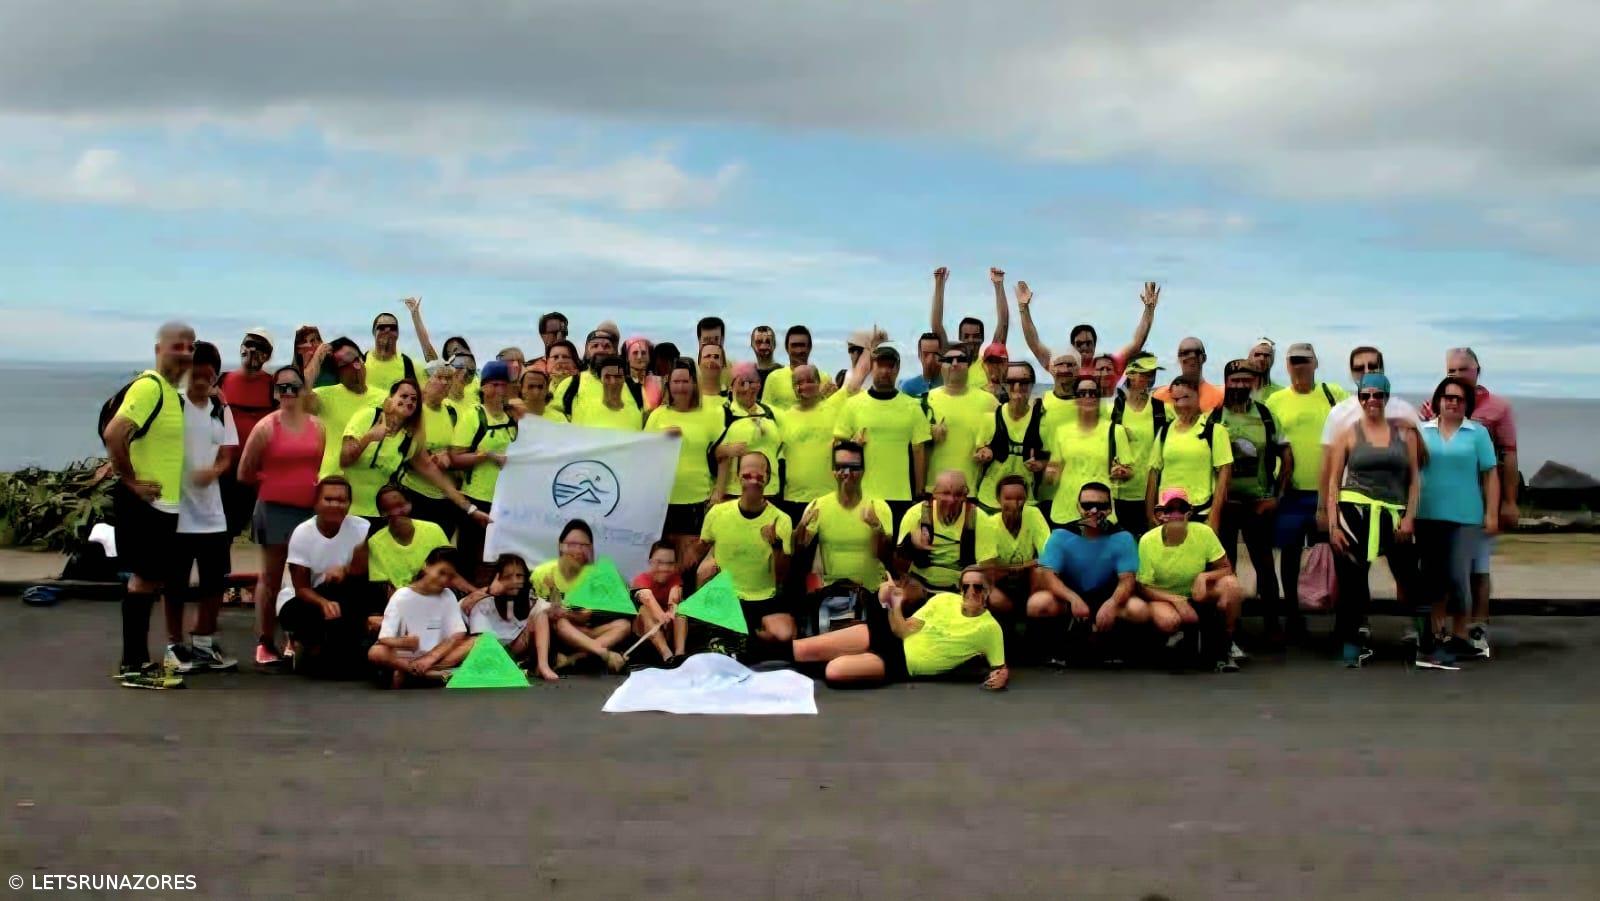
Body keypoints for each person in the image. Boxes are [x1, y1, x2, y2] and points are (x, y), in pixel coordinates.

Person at [103, 321, 193, 689]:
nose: (185, 353)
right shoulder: (149, 387)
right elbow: (114, 433)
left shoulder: (172, 394)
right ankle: (135, 666)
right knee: (143, 581)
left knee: (150, 580)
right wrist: (132, 481)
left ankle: (135, 662)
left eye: (190, 347)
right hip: (146, 504)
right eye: (178, 346)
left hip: (164, 506)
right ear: (159, 350)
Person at [1419, 347, 1518, 659]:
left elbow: (1498, 467)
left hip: (1468, 513)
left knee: (1468, 574)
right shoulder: (1422, 429)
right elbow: (1411, 472)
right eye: (1447, 394)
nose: (1452, 399)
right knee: (1435, 576)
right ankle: (1436, 632)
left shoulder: (1483, 427)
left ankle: (1468, 632)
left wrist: (1500, 507)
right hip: (1429, 514)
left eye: (1458, 397)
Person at [1324, 373, 1428, 669]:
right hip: (1353, 513)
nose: (1372, 401)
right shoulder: (1348, 433)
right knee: (1353, 585)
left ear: (1387, 398)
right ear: (1359, 399)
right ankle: (1352, 644)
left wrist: (1409, 518)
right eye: (1365, 395)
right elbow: (1333, 483)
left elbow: (1414, 482)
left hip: (1393, 514)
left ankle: (1426, 642)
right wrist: (1333, 525)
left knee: (1411, 580)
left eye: (1378, 395)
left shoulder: (1405, 434)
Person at [786, 566, 1008, 690]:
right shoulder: (944, 601)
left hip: (899, 664)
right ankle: (755, 652)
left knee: (833, 671)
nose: (970, 592)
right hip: (887, 633)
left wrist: (1001, 676)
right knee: (801, 650)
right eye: (965, 586)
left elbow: (1000, 666)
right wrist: (895, 604)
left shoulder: (989, 629)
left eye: (977, 587)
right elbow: (901, 630)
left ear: (988, 592)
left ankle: (828, 661)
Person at [238, 364, 325, 668]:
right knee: (271, 577)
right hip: (274, 510)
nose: (288, 393)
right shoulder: (265, 427)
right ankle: (264, 641)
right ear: (275, 393)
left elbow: (319, 466)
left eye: (294, 387)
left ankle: (297, 637)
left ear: (303, 391)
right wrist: (274, 482)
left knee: (304, 577)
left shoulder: (318, 426)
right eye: (282, 388)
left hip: (308, 511)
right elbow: (245, 472)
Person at [164, 341, 240, 675]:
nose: (201, 381)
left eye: (208, 375)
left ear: (214, 377)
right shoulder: (173, 406)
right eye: (196, 373)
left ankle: (204, 642)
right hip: (176, 513)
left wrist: (215, 471)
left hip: (212, 514)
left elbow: (227, 454)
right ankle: (173, 645)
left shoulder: (220, 409)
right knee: (175, 583)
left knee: (214, 582)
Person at [1264, 342, 1347, 634]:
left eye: (1305, 360)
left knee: (1340, 552)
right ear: (1286, 365)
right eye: (1294, 360)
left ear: (1315, 363)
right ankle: (1292, 612)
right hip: (1291, 492)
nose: (1299, 366)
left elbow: (1360, 420)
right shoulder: (1275, 401)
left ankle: (1344, 618)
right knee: (1290, 552)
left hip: (1330, 491)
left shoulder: (1333, 394)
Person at [1212, 360, 1292, 646]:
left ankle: (1272, 626)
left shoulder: (1266, 415)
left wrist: (1276, 497)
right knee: (1225, 567)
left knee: (1265, 567)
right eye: (1235, 380)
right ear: (1226, 381)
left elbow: (1287, 456)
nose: (1241, 385)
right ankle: (1228, 627)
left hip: (1257, 505)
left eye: (1246, 380)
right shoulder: (1213, 416)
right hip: (1224, 504)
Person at [1136, 488, 1246, 672]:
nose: (1176, 515)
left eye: (1181, 508)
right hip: (1163, 595)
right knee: (1169, 621)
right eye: (1170, 509)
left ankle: (1227, 641)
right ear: (1161, 514)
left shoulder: (1204, 532)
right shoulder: (1147, 541)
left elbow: (1227, 568)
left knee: (1232, 586)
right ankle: (1177, 648)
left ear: (1189, 512)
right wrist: (1176, 600)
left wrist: (1204, 576)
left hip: (1197, 592)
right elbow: (1142, 587)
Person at [339, 378, 474, 528]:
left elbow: (437, 477)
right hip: (348, 511)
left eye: (414, 399)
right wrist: (369, 437)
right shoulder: (368, 417)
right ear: (390, 398)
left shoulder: (409, 440)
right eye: (403, 396)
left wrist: (469, 508)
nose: (409, 401)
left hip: (384, 516)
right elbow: (344, 460)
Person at [1033, 482, 1144, 664]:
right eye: (1087, 505)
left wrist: (1112, 603)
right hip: (1070, 601)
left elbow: (1127, 581)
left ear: (1109, 509)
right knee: (1038, 603)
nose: (1093, 510)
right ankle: (1050, 651)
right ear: (1078, 507)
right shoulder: (1061, 535)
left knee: (1137, 609)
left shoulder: (1123, 537)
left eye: (1101, 506)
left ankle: (1121, 650)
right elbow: (1048, 576)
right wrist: (1072, 598)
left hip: (1107, 600)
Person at [275, 477, 374, 677]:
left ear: (349, 504)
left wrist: (345, 570)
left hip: (348, 592)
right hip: (309, 597)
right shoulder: (302, 533)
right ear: (316, 502)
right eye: (329, 499)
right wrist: (323, 603)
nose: (335, 505)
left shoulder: (363, 529)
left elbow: (366, 573)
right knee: (296, 613)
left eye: (341, 500)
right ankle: (307, 645)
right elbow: (301, 587)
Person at [698, 453, 796, 644]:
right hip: (727, 596)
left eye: (759, 477)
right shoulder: (717, 513)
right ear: (737, 477)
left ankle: (747, 637)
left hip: (764, 597)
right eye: (747, 475)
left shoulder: (782, 519)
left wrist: (775, 544)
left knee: (782, 636)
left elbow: (782, 576)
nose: (753, 481)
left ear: (768, 479)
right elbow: (701, 551)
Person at [794, 440, 895, 625]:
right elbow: (799, 554)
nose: (847, 474)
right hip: (833, 593)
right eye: (841, 467)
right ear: (833, 471)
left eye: (853, 467)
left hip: (872, 593)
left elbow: (886, 557)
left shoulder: (879, 507)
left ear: (863, 471)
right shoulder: (818, 506)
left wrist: (876, 528)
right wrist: (800, 528)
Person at [834, 341, 931, 525]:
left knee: (897, 552)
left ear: (897, 369)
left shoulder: (913, 407)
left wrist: (919, 493)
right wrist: (852, 447)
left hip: (901, 496)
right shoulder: (853, 405)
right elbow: (838, 449)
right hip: (862, 495)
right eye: (881, 365)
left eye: (890, 366)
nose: (885, 371)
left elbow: (919, 452)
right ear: (872, 366)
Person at [646, 357, 724, 569]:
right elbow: (643, 452)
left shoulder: (709, 415)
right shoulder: (657, 416)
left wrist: (719, 490)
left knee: (690, 561)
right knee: (664, 561)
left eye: (685, 381)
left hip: (697, 499)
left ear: (694, 384)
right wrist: (662, 435)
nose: (680, 387)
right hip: (664, 500)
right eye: (676, 382)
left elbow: (721, 453)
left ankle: (687, 600)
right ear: (668, 385)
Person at [776, 359, 870, 523]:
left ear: (819, 383)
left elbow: (857, 379)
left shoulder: (835, 406)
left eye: (810, 381)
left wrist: (870, 347)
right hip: (793, 499)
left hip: (831, 498)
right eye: (799, 382)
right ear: (793, 387)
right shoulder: (783, 418)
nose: (804, 386)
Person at [367, 547, 476, 687]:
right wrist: (404, 642)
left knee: (476, 641)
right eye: (441, 572)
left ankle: (411, 672)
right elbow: (384, 638)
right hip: (407, 655)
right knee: (376, 652)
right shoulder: (402, 596)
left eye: (450, 576)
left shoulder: (447, 595)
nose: (444, 580)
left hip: (438, 656)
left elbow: (457, 633)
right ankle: (429, 674)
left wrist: (430, 658)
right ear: (427, 566)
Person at [534, 520, 631, 673]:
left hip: (587, 631)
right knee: (562, 624)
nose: (578, 550)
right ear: (561, 545)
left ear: (591, 549)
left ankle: (576, 658)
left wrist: (568, 612)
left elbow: (587, 616)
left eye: (584, 546)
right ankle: (602, 654)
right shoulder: (546, 573)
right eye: (572, 544)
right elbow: (546, 614)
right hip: (562, 632)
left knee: (623, 625)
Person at [889, 470, 998, 606]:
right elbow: (899, 564)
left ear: (966, 495)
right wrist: (910, 543)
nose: (951, 500)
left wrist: (973, 586)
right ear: (934, 493)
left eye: (958, 495)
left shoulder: (979, 518)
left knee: (995, 600)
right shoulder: (916, 514)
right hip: (920, 581)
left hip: (963, 584)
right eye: (945, 493)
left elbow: (988, 566)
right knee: (900, 597)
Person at [450, 360, 517, 578]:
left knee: (498, 559)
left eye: (503, 385)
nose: (499, 390)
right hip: (476, 498)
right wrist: (487, 456)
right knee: (470, 559)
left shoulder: (511, 420)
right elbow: (455, 458)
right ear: (483, 387)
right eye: (494, 385)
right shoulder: (473, 416)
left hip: (504, 499)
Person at [1016, 279, 1158, 378]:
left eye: (1089, 343)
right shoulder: (1062, 368)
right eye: (1079, 344)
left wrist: (1149, 309)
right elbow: (1034, 344)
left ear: (1095, 345)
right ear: (1072, 346)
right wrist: (1023, 308)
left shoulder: (1106, 369)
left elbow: (1136, 344)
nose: (1084, 347)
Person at [1043, 375, 1133, 529]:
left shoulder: (1115, 431)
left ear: (1099, 397)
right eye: (1082, 393)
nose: (1088, 397)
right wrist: (1046, 472)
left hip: (1100, 509)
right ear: (1075, 399)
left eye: (1093, 393)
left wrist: (1122, 472)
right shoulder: (1062, 432)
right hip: (1065, 510)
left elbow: (1130, 472)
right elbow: (1053, 473)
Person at [1146, 376, 1233, 532]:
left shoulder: (1214, 431)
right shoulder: (1165, 431)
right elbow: (1153, 472)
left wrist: (1214, 515)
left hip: (1200, 513)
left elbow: (1224, 474)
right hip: (1166, 513)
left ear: (1198, 396)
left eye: (1186, 397)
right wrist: (1150, 513)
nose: (1181, 404)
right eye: (1176, 399)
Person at [462, 554, 560, 683]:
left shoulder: (529, 599)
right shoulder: (483, 603)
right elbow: (481, 643)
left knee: (541, 614)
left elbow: (551, 610)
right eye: (508, 577)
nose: (514, 581)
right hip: (489, 651)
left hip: (514, 648)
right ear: (497, 579)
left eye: (519, 576)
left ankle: (543, 666)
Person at [217, 327, 276, 540]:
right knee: (220, 529)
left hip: (255, 472)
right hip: (224, 469)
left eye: (259, 347)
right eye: (248, 344)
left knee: (250, 529)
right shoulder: (222, 381)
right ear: (241, 347)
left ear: (267, 355)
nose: (252, 350)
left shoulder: (273, 385)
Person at [398, 359, 465, 532]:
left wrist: (449, 457)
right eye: (440, 377)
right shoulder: (412, 411)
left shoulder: (452, 411)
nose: (445, 383)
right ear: (425, 382)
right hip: (416, 494)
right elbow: (404, 451)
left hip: (446, 499)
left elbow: (460, 448)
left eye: (449, 378)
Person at [925, 346, 1000, 501]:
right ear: (941, 366)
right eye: (948, 360)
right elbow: (911, 442)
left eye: (961, 360)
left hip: (973, 491)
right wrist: (928, 432)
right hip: (934, 489)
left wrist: (989, 450)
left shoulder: (989, 401)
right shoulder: (925, 399)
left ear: (969, 366)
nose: (954, 363)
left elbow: (1004, 436)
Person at [974, 361, 1045, 511]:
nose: (1017, 387)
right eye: (1011, 382)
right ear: (1004, 385)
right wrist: (983, 454)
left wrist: (1042, 465)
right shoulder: (989, 418)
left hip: (1026, 503)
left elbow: (1053, 461)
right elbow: (978, 453)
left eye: (1024, 382)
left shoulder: (1042, 421)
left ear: (1032, 385)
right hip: (990, 500)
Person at [1107, 353, 1166, 535]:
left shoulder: (1161, 408)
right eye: (1145, 373)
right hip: (1121, 493)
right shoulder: (1114, 409)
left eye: (1152, 374)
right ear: (1130, 375)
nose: (1150, 378)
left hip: (1154, 492)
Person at [366, 485, 457, 598]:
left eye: (399, 505)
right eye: (387, 509)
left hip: (438, 596)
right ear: (381, 513)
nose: (395, 512)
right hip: (401, 603)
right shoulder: (374, 543)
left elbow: (450, 572)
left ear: (410, 504)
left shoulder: (434, 530)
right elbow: (385, 588)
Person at [711, 362, 783, 503]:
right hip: (736, 494)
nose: (748, 388)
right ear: (731, 387)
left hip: (771, 492)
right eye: (742, 382)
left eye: (752, 382)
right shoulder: (723, 413)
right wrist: (726, 450)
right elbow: (711, 452)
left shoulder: (770, 413)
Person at [983, 475, 1053, 618]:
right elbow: (988, 565)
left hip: (1027, 577)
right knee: (987, 579)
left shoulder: (1033, 514)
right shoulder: (989, 524)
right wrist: (1011, 569)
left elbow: (1049, 555)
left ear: (1026, 498)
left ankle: (1033, 611)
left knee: (1040, 571)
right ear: (998, 499)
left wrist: (1022, 567)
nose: (1015, 504)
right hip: (1001, 579)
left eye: (1019, 498)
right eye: (1008, 498)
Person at [930, 266, 1010, 361]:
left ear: (982, 338)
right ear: (960, 337)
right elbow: (936, 326)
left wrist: (999, 284)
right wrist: (939, 284)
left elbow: (1003, 324)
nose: (971, 340)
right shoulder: (951, 359)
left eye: (976, 336)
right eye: (966, 336)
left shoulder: (988, 362)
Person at [630, 541, 688, 665]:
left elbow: (675, 594)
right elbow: (647, 597)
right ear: (651, 562)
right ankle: (667, 655)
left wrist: (673, 608)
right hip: (645, 635)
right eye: (660, 563)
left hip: (667, 631)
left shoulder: (675, 579)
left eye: (670, 564)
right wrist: (663, 616)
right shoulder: (641, 580)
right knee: (644, 610)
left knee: (681, 608)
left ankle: (679, 655)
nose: (665, 568)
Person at [569, 355, 644, 431]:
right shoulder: (583, 411)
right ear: (600, 379)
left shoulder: (635, 413)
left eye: (618, 377)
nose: (613, 382)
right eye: (607, 377)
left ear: (624, 378)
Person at [1153, 338, 1224, 411]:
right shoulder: (1160, 396)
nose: (1191, 357)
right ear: (1178, 359)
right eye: (1185, 353)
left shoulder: (1218, 398)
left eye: (1196, 352)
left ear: (1204, 358)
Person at [365, 311, 421, 393]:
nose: (387, 330)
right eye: (382, 327)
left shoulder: (406, 362)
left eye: (393, 328)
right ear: (374, 332)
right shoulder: (362, 359)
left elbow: (414, 395)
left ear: (397, 334)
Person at [760, 325, 813, 409]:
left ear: (809, 347)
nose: (798, 351)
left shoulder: (823, 378)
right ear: (787, 348)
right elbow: (765, 412)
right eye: (794, 346)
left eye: (802, 345)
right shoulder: (774, 378)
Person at [899, 331, 945, 398]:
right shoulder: (908, 388)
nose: (930, 360)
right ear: (919, 355)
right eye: (926, 354)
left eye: (935, 354)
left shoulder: (951, 386)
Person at [624, 337, 664, 413]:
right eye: (635, 353)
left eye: (643, 353)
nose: (639, 357)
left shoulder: (660, 383)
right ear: (627, 358)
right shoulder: (621, 383)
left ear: (649, 357)